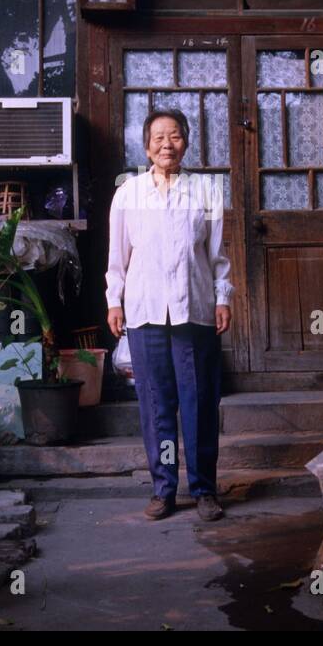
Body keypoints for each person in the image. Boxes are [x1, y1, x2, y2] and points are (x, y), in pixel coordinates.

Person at [105, 107, 233, 521]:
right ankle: (164, 489)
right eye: (158, 137)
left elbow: (217, 256)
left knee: (198, 402)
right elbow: (118, 257)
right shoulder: (128, 194)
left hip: (193, 309)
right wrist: (114, 300)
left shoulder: (207, 192)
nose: (167, 144)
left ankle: (204, 489)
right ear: (146, 146)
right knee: (156, 404)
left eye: (174, 136)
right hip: (144, 312)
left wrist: (222, 297)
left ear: (187, 142)